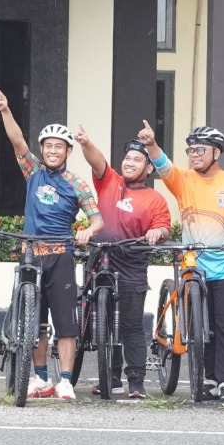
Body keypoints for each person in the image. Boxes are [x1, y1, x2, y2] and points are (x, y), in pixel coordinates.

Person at [0, 89, 100, 402]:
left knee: (66, 324)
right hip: (31, 255)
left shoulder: (76, 183)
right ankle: (40, 379)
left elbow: (97, 220)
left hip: (61, 256)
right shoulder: (33, 171)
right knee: (35, 324)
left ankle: (65, 381)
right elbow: (17, 141)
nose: (53, 151)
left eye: (59, 147)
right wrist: (5, 110)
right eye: (48, 146)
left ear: (68, 151)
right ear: (42, 149)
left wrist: (87, 231)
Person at [139, 118, 224, 401]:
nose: (194, 155)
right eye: (190, 151)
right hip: (194, 267)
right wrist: (151, 144)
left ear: (216, 153)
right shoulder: (184, 180)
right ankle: (209, 378)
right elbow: (164, 166)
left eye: (200, 150)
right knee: (201, 328)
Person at [75, 131, 170, 399]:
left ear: (148, 168)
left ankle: (136, 382)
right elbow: (97, 161)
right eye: (127, 158)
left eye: (137, 160)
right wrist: (86, 143)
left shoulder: (155, 199)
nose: (129, 163)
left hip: (132, 265)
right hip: (100, 260)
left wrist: (157, 233)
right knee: (103, 324)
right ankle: (111, 377)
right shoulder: (110, 181)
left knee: (130, 326)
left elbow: (164, 228)